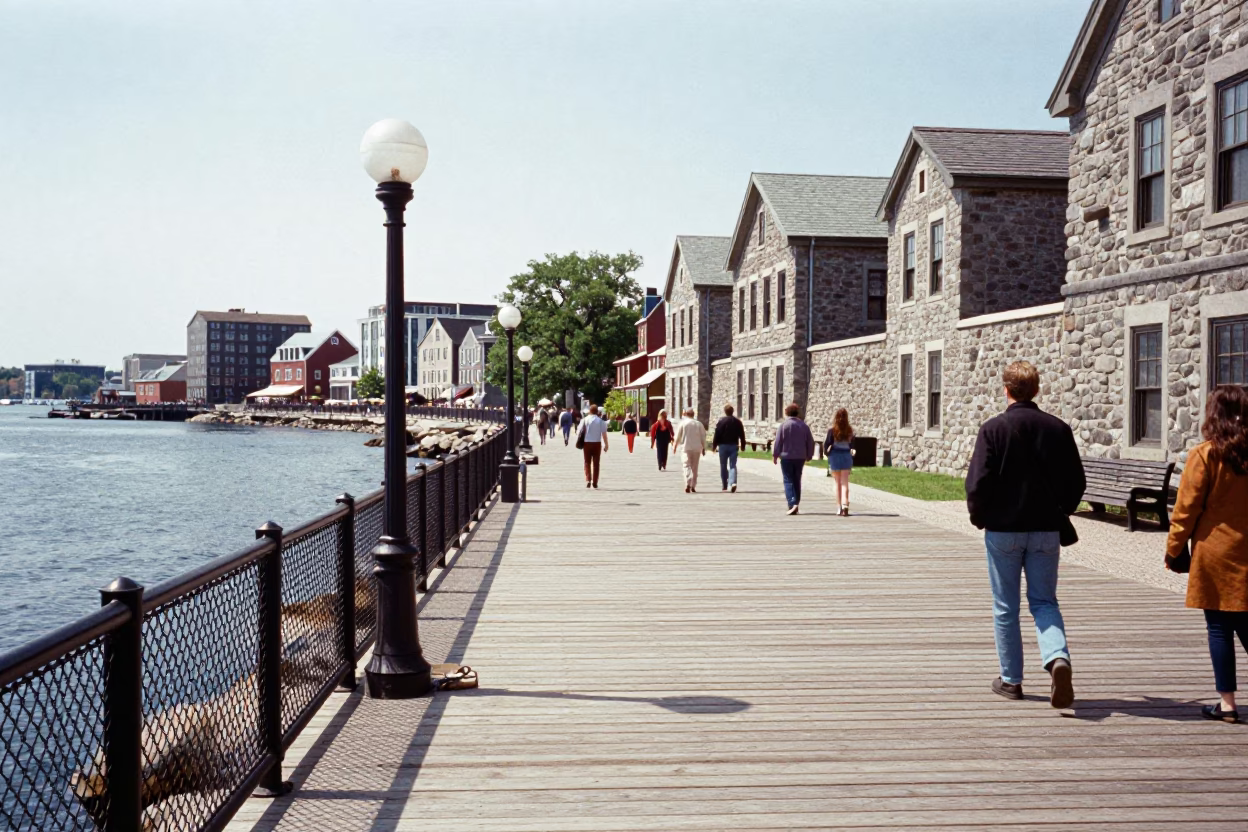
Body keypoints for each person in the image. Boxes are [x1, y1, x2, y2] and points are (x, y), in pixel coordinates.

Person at [965, 360, 1084, 709]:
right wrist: (1062, 509)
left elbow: (978, 483)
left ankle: (1011, 680)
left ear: (1006, 389)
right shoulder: (1059, 429)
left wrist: (979, 517)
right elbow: (1077, 482)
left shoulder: (993, 429)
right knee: (1044, 601)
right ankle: (1057, 657)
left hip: (1003, 530)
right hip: (1046, 529)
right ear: (1036, 389)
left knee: (1006, 607)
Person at [1166, 385, 1248, 724]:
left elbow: (1186, 509)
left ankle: (1227, 704)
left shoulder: (1205, 455)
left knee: (1219, 628)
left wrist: (1173, 549)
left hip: (1213, 552)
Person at [772, 402, 814, 515]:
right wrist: (810, 454)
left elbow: (778, 442)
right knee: (797, 479)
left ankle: (792, 502)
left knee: (788, 480)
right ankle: (796, 502)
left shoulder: (783, 426)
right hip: (800, 457)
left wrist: (775, 455)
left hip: (786, 457)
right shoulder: (804, 426)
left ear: (786, 413)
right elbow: (810, 442)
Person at [825, 408, 854, 516]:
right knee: (845, 482)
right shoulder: (849, 430)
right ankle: (845, 503)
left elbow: (827, 445)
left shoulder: (832, 431)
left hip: (835, 455)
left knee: (837, 483)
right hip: (846, 455)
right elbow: (853, 444)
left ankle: (839, 507)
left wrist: (827, 453)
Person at [711, 403, 746, 492]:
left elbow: (717, 434)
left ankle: (724, 484)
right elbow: (742, 434)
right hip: (734, 445)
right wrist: (743, 445)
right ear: (732, 411)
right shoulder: (738, 422)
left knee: (723, 465)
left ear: (725, 412)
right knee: (733, 465)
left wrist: (714, 445)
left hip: (723, 445)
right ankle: (732, 482)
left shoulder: (721, 421)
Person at [674, 408, 708, 493]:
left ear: (685, 414)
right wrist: (704, 447)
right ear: (693, 414)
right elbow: (703, 437)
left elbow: (678, 435)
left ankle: (688, 481)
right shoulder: (699, 424)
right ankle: (693, 485)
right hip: (697, 448)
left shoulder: (683, 423)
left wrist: (675, 445)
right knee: (695, 467)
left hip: (686, 447)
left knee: (686, 465)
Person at [577, 403, 609, 488]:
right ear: (597, 412)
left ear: (589, 411)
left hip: (587, 443)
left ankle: (588, 479)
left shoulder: (584, 420)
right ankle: (595, 481)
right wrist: (606, 445)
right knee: (596, 463)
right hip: (597, 443)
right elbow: (604, 434)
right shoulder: (601, 421)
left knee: (587, 462)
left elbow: (578, 431)